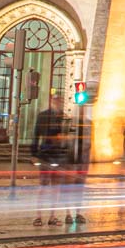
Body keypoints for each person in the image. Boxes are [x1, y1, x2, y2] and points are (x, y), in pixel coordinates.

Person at [32, 94, 84, 227]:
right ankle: (38, 217)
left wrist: (70, 154)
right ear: (51, 101)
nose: (58, 102)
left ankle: (52, 216)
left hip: (59, 156)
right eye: (56, 100)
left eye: (60, 100)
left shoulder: (64, 117)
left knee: (55, 188)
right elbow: (36, 135)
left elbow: (69, 137)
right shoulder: (43, 116)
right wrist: (34, 153)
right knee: (43, 187)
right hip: (45, 155)